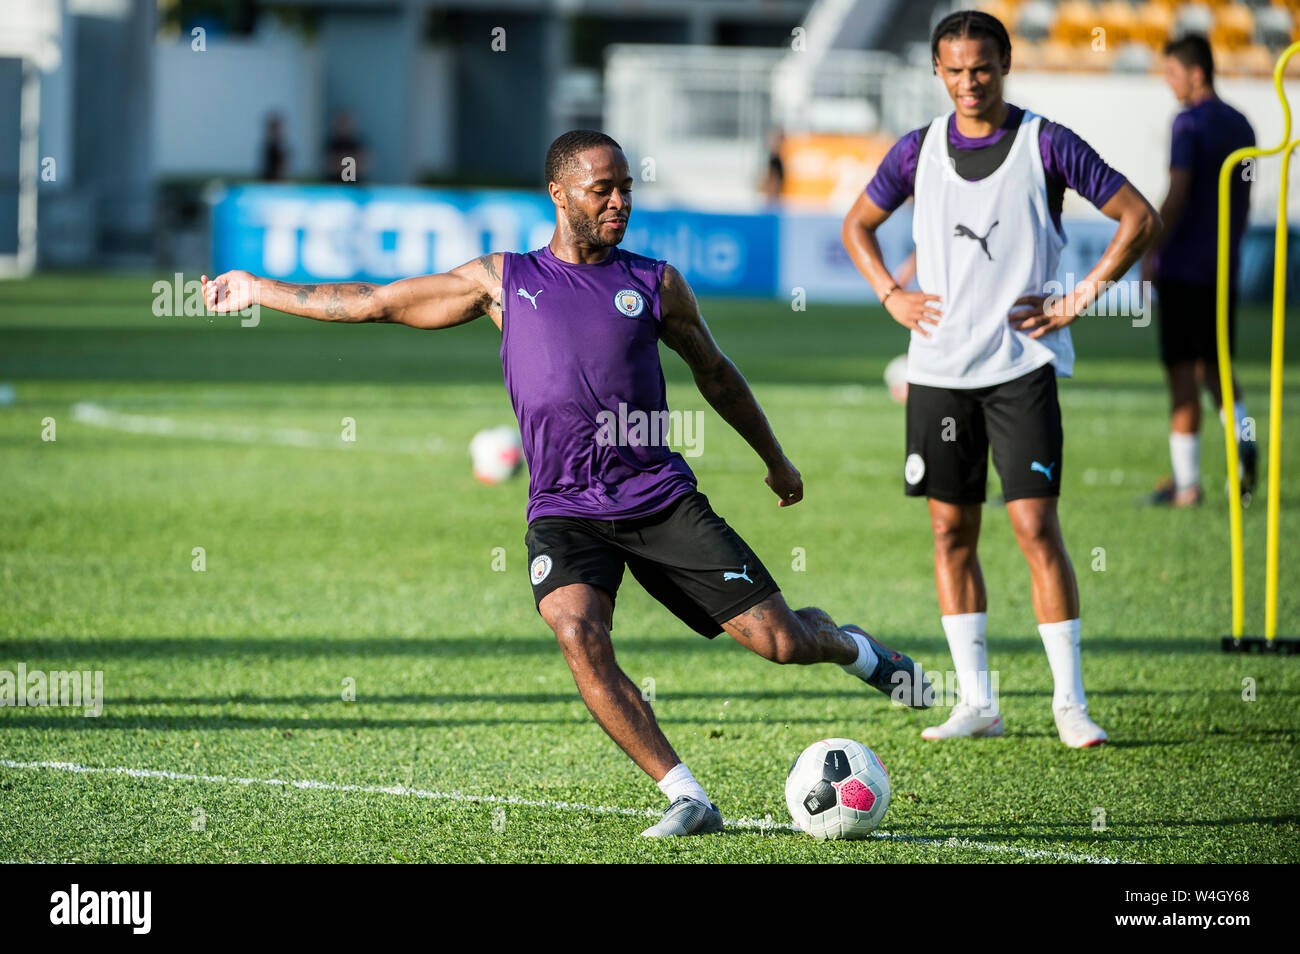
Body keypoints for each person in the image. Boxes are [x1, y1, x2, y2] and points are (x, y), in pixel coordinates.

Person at [204, 129, 931, 837]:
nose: (619, 202)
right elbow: (375, 300)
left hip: (658, 500)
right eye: (602, 189)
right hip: (563, 510)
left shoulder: (655, 283)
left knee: (783, 643)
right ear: (558, 194)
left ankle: (861, 652)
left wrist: (774, 458)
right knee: (579, 633)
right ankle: (685, 795)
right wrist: (260, 289)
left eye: (626, 189)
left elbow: (715, 372)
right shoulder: (503, 281)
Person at [841, 10, 1162, 747]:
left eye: (981, 68)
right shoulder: (917, 149)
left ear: (1005, 64)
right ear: (937, 71)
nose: (968, 83)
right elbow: (857, 224)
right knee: (950, 529)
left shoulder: (1046, 142)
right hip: (938, 372)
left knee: (1034, 526)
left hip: (1022, 368)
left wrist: (1079, 297)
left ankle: (1070, 704)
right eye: (954, 70)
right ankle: (978, 702)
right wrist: (891, 293)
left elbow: (1137, 216)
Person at [1141, 33, 1257, 508]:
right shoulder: (1242, 125)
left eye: (1171, 73)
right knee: (1218, 368)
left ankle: (1186, 484)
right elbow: (1245, 196)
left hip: (1183, 266)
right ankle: (1245, 441)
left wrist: (1151, 247)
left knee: (1182, 373)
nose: (1167, 82)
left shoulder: (1187, 123)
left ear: (1196, 72)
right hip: (1222, 266)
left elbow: (1178, 191)